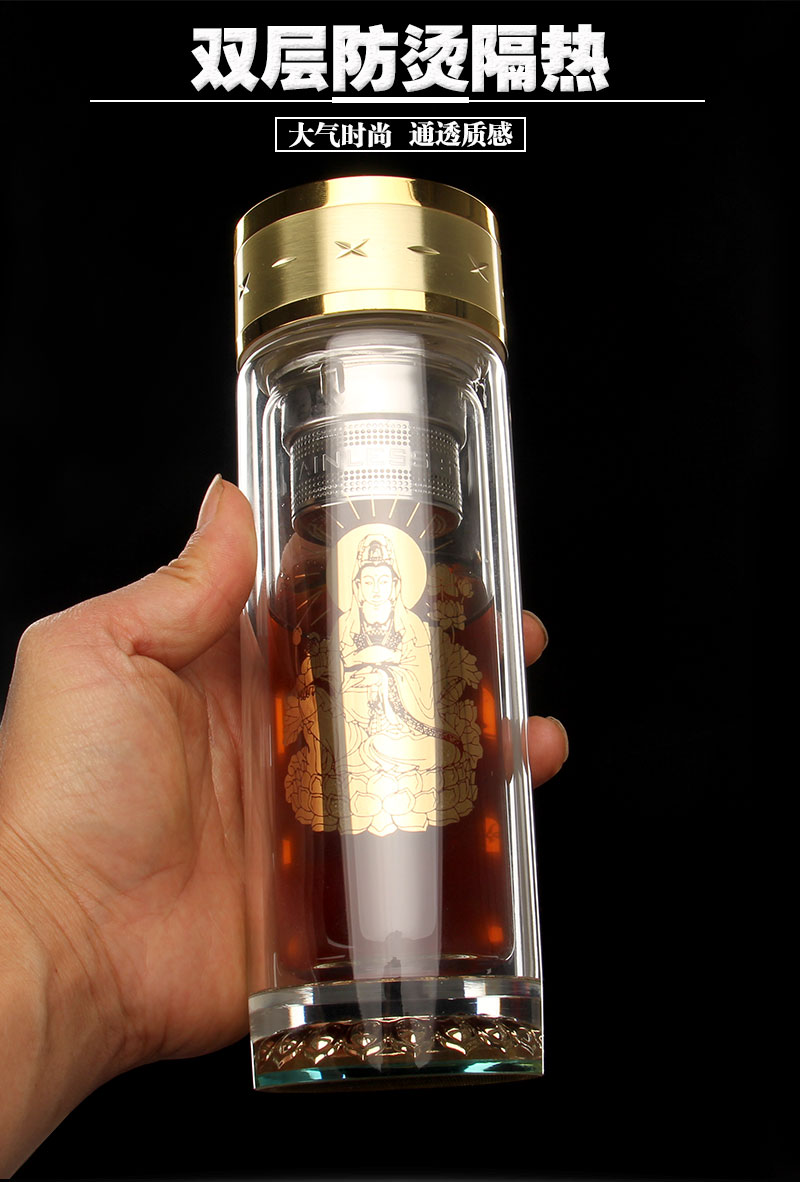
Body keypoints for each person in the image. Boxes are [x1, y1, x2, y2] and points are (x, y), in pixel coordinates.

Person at [0, 476, 569, 1175]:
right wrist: (46, 910)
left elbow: (426, 720)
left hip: (408, 758)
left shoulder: (429, 628)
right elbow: (317, 717)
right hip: (344, 769)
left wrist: (397, 692)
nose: (377, 592)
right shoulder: (318, 622)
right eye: (366, 584)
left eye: (387, 582)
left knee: (466, 750)